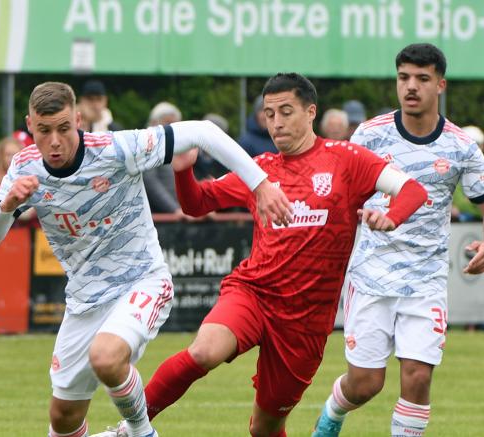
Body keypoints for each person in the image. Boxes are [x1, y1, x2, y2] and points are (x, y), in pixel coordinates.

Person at [0, 81, 291, 437]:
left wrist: (261, 185)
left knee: (107, 357)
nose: (54, 141)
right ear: (29, 125)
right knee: (63, 416)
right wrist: (7, 206)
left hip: (141, 281)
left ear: (78, 120)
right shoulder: (23, 167)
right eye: (44, 131)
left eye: (64, 129)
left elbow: (204, 132)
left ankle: (142, 433)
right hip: (83, 301)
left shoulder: (117, 149)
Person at [143, 73, 428, 437]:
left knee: (265, 427)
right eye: (270, 113)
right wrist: (183, 172)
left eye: (286, 112)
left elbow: (412, 190)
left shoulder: (346, 160)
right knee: (204, 351)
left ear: (311, 112)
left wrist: (392, 216)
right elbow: (197, 203)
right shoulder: (258, 169)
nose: (276, 122)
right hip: (254, 292)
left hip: (304, 322)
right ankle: (132, 425)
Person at [312, 43, 484, 437]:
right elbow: (339, 194)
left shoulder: (461, 147)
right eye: (404, 77)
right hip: (371, 274)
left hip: (426, 280)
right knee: (366, 384)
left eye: (422, 79)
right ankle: (332, 415)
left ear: (439, 85)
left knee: (417, 376)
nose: (411, 86)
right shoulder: (369, 135)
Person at [144, 102, 183, 214]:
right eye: (168, 123)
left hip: (179, 216)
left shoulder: (177, 146)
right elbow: (150, 182)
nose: (173, 128)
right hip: (160, 219)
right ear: (153, 122)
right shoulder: (148, 146)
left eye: (176, 124)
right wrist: (175, 209)